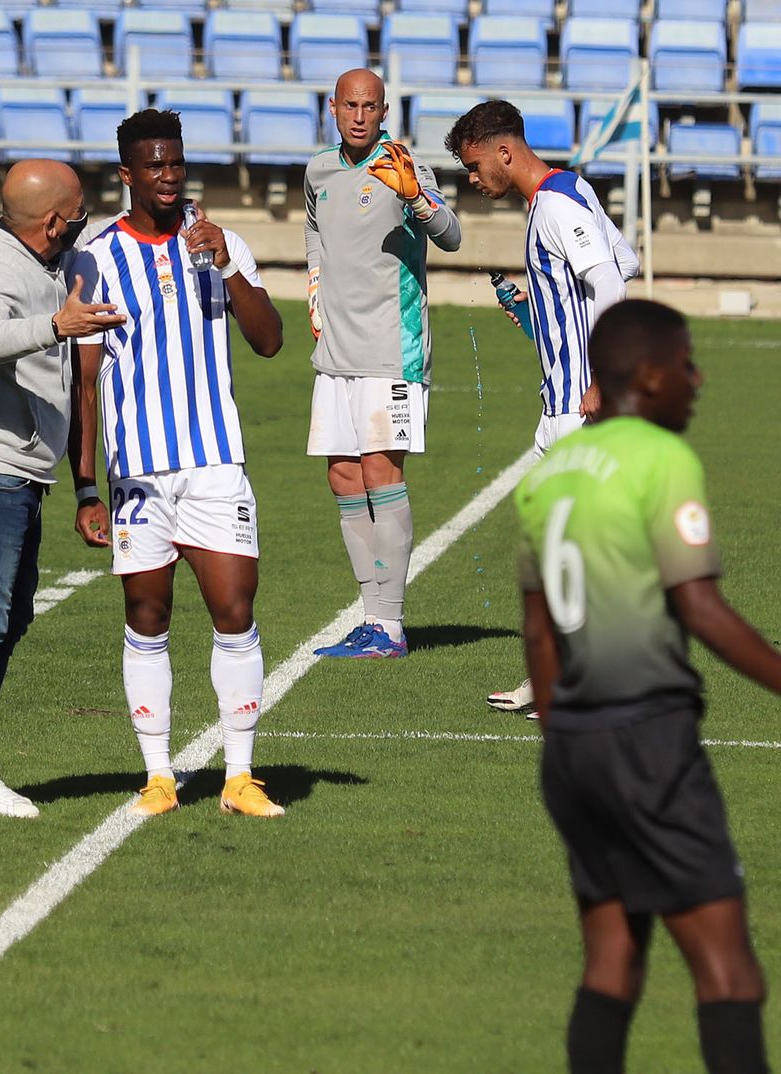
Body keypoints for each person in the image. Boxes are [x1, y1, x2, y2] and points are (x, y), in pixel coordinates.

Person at [515, 299, 775, 1074]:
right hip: (649, 741)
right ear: (651, 376)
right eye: (688, 364)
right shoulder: (660, 458)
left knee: (613, 966)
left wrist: (566, 735)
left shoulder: (550, 473)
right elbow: (700, 607)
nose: (699, 380)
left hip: (574, 750)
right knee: (729, 973)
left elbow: (537, 634)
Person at [70, 109, 285, 819]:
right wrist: (84, 487)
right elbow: (86, 378)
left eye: (176, 163)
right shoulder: (97, 258)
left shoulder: (219, 244)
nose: (169, 177)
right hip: (137, 475)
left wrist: (225, 262)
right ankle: (159, 776)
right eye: (154, 166)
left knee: (234, 609)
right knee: (146, 614)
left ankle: (240, 776)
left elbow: (270, 342)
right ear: (127, 174)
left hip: (215, 463)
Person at [0, 159, 125, 819]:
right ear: (56, 221)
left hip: (17, 471)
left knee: (8, 617)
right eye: (81, 210)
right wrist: (55, 327)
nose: (86, 219)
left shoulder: (35, 261)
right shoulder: (0, 267)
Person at [443, 99, 640, 712]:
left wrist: (603, 375)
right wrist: (545, 309)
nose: (474, 181)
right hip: (566, 405)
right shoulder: (569, 192)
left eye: (475, 167)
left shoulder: (555, 205)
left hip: (580, 411)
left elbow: (609, 283)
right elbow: (622, 262)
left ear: (506, 151)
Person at [304, 69, 462, 659]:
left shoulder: (404, 165)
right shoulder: (318, 168)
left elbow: (452, 236)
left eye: (371, 106)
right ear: (334, 107)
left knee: (380, 473)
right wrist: (316, 284)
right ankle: (370, 617)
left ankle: (391, 626)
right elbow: (313, 228)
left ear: (384, 109)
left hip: (391, 351)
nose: (361, 116)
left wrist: (416, 197)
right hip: (334, 354)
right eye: (351, 105)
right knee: (343, 476)